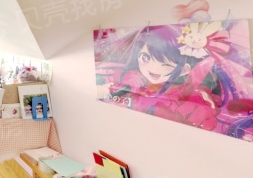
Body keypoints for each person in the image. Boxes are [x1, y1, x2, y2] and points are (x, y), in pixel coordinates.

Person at [95, 22, 253, 133]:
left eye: (165, 63)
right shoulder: (130, 79)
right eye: (145, 58)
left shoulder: (192, 99)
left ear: (184, 69)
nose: (152, 68)